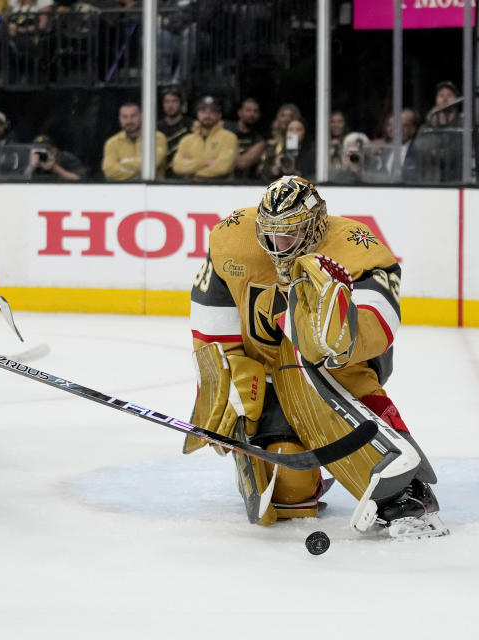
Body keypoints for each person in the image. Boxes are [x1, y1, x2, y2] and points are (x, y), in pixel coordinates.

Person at [186, 175, 448, 539]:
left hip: (341, 368)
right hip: (268, 375)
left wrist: (341, 339)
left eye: (289, 235)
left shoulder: (355, 244)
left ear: (313, 228)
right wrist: (226, 382)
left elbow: (382, 321)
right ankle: (298, 459)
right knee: (291, 491)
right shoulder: (232, 237)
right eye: (270, 234)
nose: (277, 246)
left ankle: (402, 486)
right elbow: (212, 331)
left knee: (311, 358)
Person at [171, 95, 238, 181]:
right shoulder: (187, 140)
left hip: (220, 189)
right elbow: (177, 166)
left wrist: (192, 170)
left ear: (219, 115)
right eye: (203, 111)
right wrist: (203, 162)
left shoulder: (229, 138)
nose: (207, 115)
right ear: (198, 114)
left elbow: (223, 168)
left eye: (212, 112)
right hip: (192, 190)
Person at [101, 101, 167, 181]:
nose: (129, 121)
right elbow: (109, 171)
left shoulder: (157, 138)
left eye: (133, 116)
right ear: (119, 119)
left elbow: (150, 164)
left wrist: (124, 163)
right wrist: (138, 172)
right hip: (123, 191)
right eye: (125, 117)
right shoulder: (112, 142)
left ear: (141, 116)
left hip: (153, 190)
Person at [156, 84, 194, 178]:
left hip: (185, 178)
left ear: (181, 104)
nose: (170, 105)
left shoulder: (192, 126)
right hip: (159, 179)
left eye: (174, 101)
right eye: (167, 102)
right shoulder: (155, 127)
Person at [226, 97, 265, 181]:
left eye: (255, 111)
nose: (252, 114)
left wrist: (221, 159)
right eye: (248, 110)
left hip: (247, 183)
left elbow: (242, 164)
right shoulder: (226, 129)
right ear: (240, 113)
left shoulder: (259, 138)